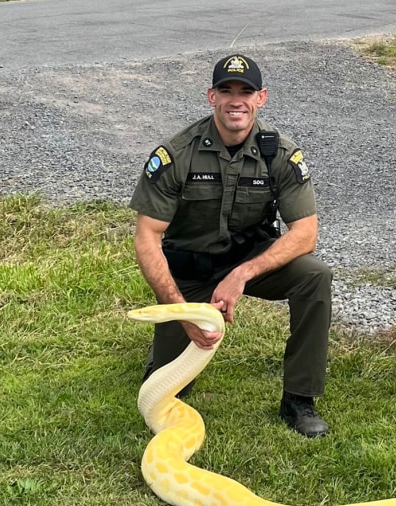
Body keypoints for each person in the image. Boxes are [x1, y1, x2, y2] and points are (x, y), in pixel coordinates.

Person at [129, 54, 332, 438]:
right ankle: (164, 350)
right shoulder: (176, 155)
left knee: (315, 277)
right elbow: (147, 237)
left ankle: (299, 400)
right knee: (165, 390)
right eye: (226, 90)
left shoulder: (282, 154)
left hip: (248, 262)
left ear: (261, 98)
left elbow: (305, 234)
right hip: (189, 271)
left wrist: (241, 274)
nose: (235, 100)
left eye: (246, 91)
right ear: (211, 96)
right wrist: (180, 311)